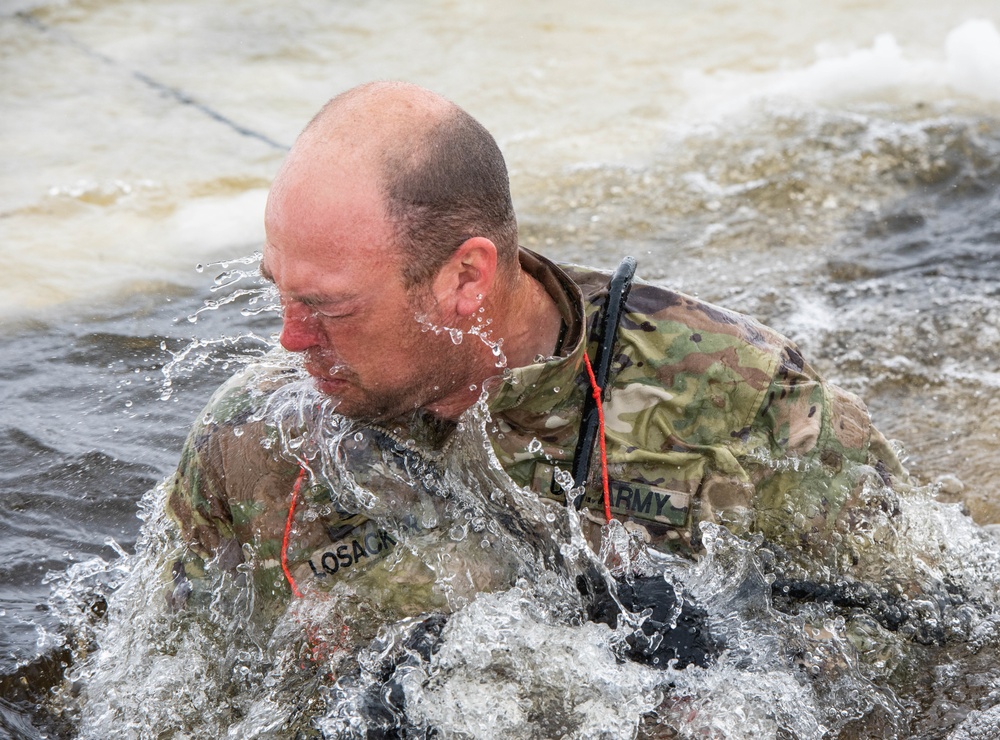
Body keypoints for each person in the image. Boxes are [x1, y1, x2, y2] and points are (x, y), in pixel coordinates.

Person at [166, 81, 908, 624]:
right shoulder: (249, 446)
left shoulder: (741, 400)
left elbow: (925, 634)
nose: (290, 339)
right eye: (280, 293)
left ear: (466, 277)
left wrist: (724, 678)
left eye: (329, 307)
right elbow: (164, 699)